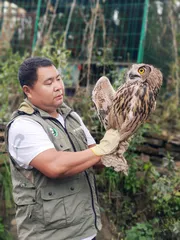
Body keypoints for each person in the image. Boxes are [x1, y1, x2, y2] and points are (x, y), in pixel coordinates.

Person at [6, 57, 120, 240]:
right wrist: (104, 148)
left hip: (86, 229)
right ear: (28, 91)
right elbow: (55, 166)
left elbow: (97, 160)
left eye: (58, 79)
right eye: (48, 82)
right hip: (50, 235)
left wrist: (121, 136)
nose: (58, 86)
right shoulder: (24, 125)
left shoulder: (71, 116)